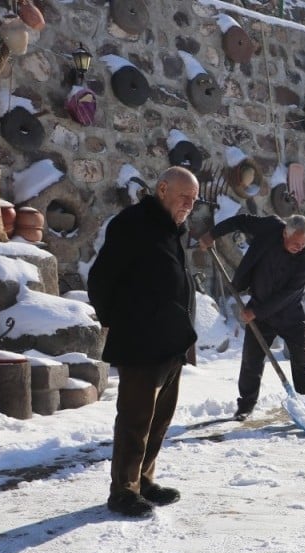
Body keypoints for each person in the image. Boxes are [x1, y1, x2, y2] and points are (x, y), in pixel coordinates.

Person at [87, 166, 201, 517]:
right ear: (162, 188)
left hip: (170, 344)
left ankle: (144, 480)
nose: (189, 205)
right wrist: (117, 321)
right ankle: (122, 491)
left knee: (158, 420)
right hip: (140, 342)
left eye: (194, 201)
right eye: (184, 197)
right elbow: (100, 279)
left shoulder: (171, 230)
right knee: (135, 421)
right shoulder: (132, 224)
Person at [197, 214, 305, 420]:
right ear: (284, 232)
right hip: (261, 308)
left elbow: (287, 295)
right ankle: (245, 406)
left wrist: (256, 311)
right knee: (251, 360)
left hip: (290, 314)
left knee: (301, 360)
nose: (300, 247)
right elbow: (240, 220)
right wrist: (213, 234)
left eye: (304, 243)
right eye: (296, 242)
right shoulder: (270, 227)